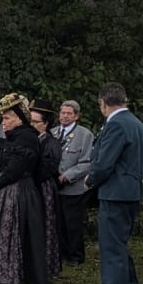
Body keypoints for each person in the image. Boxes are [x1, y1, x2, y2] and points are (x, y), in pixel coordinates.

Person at [84, 82, 143, 284]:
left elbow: (104, 162)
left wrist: (91, 179)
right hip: (129, 192)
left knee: (112, 253)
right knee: (120, 250)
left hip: (115, 194)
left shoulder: (116, 124)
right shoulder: (135, 123)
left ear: (103, 102)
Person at [0, 94, 50, 284]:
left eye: (7, 118)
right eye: (3, 118)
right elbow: (1, 166)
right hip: (10, 191)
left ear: (20, 118)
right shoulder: (13, 138)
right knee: (9, 240)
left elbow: (16, 168)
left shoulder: (27, 138)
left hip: (20, 192)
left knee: (18, 241)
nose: (4, 122)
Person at [52, 99, 94, 266]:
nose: (65, 116)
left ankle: (76, 255)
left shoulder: (85, 135)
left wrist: (68, 175)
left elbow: (87, 162)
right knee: (58, 222)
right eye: (63, 113)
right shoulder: (53, 132)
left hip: (73, 187)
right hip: (55, 186)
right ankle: (61, 252)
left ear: (76, 116)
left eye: (69, 113)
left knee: (73, 223)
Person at [28, 99, 64, 283]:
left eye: (36, 122)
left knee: (44, 225)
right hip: (30, 186)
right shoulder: (29, 139)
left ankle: (44, 267)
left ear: (46, 123)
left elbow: (49, 168)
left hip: (42, 187)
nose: (32, 125)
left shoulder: (51, 142)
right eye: (30, 121)